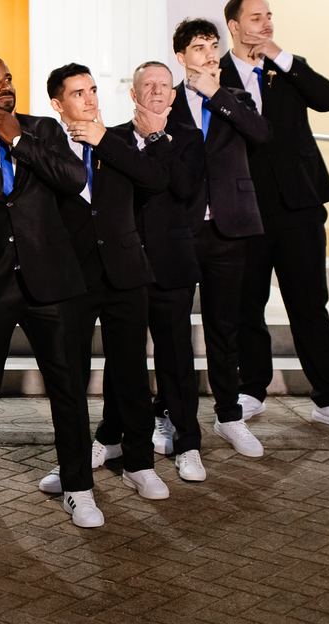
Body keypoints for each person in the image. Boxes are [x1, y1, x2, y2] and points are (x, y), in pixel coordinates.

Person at [0, 54, 100, 528]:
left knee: (68, 390)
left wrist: (18, 138)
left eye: (8, 78)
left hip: (51, 280)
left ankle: (78, 488)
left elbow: (73, 179)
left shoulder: (42, 130)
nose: (4, 85)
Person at [221, 0, 329, 433]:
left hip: (298, 207)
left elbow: (328, 98)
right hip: (245, 211)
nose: (266, 24)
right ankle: (252, 390)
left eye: (269, 16)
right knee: (248, 306)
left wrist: (281, 56)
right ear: (234, 26)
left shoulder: (288, 67)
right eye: (256, 18)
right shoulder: (216, 75)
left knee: (309, 304)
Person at [39, 63, 170, 501]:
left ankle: (140, 464)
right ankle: (74, 468)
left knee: (131, 374)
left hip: (125, 273)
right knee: (70, 381)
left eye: (93, 89)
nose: (90, 98)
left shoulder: (119, 141)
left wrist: (104, 141)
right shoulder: (47, 148)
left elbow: (157, 179)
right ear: (58, 104)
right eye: (78, 93)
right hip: (72, 279)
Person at [170, 18, 272, 457]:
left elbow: (261, 134)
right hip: (180, 229)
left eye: (213, 45)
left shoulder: (237, 97)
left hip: (230, 229)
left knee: (225, 328)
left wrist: (216, 94)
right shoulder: (167, 99)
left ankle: (229, 416)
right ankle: (170, 415)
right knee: (173, 330)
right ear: (181, 57)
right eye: (199, 47)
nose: (210, 54)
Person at [129, 62, 208, 481]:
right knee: (125, 360)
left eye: (164, 85)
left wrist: (157, 138)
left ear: (174, 95)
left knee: (177, 358)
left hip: (172, 264)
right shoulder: (116, 137)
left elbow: (182, 187)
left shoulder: (189, 138)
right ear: (134, 93)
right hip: (126, 265)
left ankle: (189, 442)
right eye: (148, 85)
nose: (157, 91)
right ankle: (116, 437)